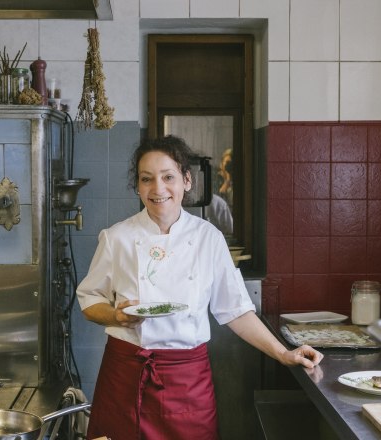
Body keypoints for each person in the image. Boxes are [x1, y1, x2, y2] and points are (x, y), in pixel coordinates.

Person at [76, 135, 323, 440]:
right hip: (127, 375)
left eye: (168, 177)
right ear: (138, 186)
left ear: (187, 181)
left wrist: (283, 353)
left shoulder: (209, 238)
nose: (158, 189)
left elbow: (236, 311)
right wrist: (117, 316)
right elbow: (89, 299)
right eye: (146, 179)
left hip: (187, 380)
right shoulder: (117, 238)